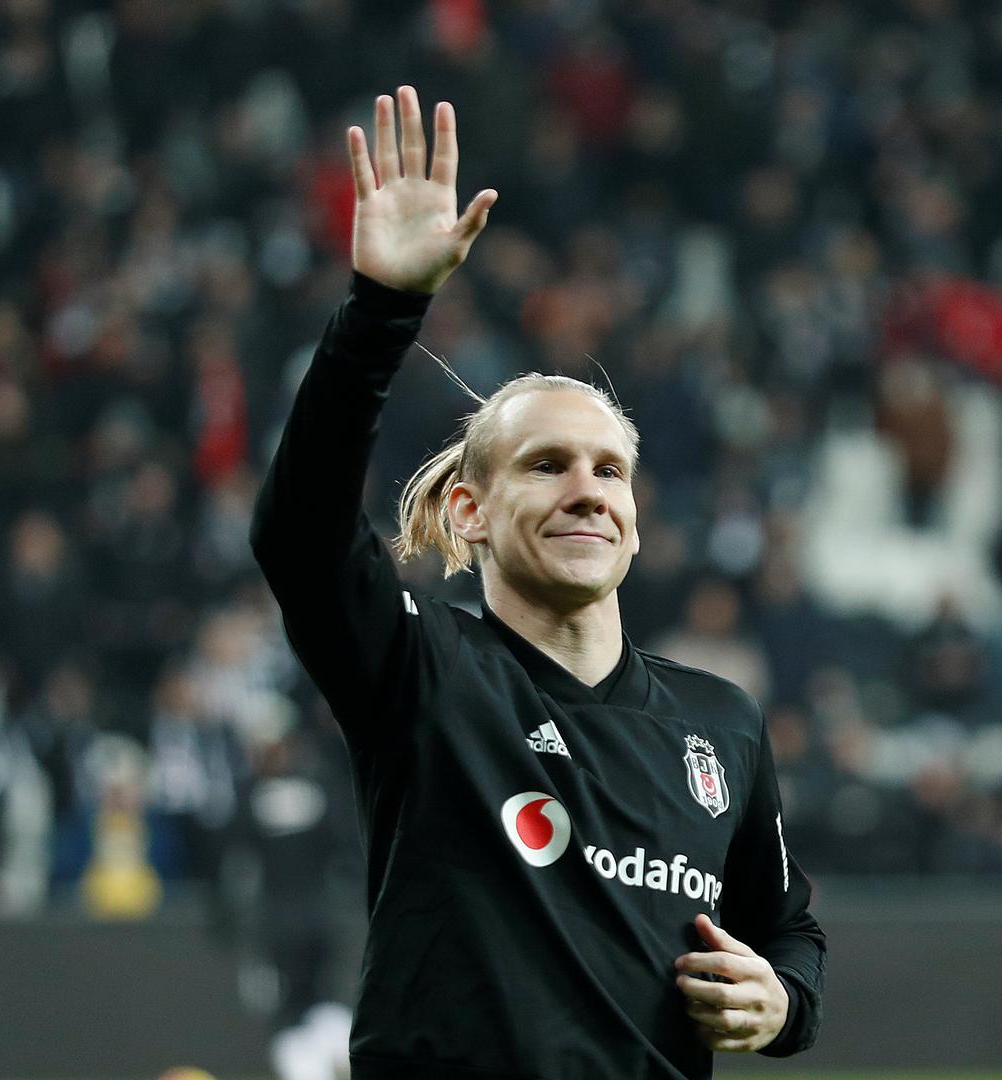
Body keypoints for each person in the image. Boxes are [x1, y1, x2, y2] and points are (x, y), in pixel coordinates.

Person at [250, 86, 825, 1079]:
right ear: (470, 511)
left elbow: (789, 929)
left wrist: (782, 1003)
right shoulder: (422, 669)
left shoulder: (721, 722)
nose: (587, 490)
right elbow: (300, 536)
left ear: (635, 517)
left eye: (610, 471)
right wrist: (382, 311)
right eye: (546, 465)